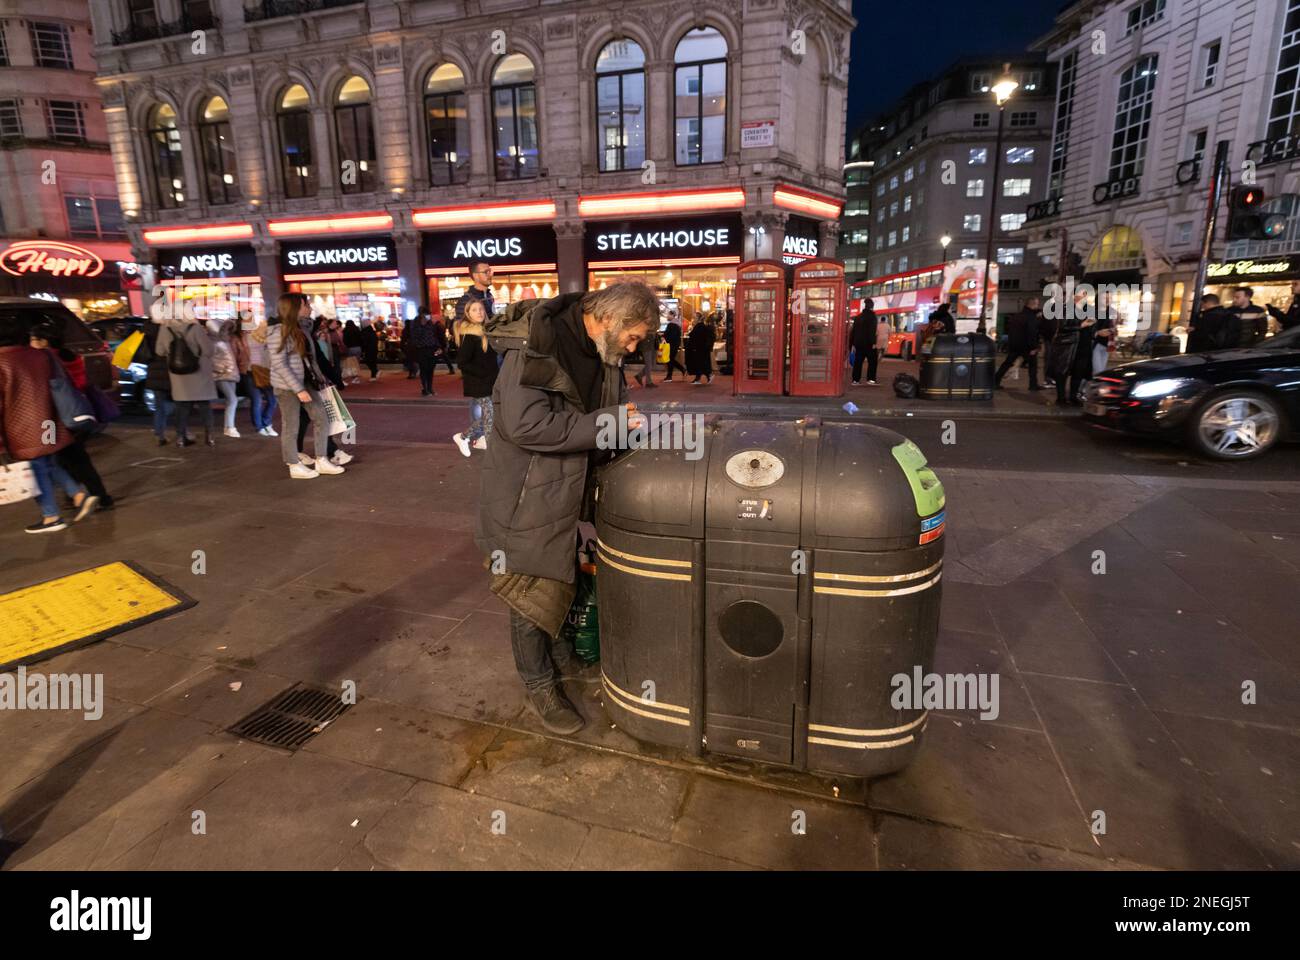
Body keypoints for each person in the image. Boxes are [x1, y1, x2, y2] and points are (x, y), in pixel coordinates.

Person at [477, 281, 657, 734]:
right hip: (527, 493)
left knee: (563, 572)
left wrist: (629, 428)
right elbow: (526, 425)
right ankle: (538, 684)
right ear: (608, 321)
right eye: (632, 336)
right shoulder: (534, 347)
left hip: (567, 485)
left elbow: (606, 409)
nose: (634, 347)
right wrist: (608, 424)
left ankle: (559, 656)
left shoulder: (603, 351)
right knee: (528, 587)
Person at [0, 313, 97, 532]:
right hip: (49, 423)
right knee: (49, 463)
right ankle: (78, 494)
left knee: (35, 470)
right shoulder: (41, 356)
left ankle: (51, 517)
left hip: (21, 429)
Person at [28, 322, 114, 511]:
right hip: (77, 414)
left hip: (56, 418)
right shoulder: (70, 355)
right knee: (71, 457)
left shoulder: (47, 359)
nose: (31, 343)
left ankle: (85, 496)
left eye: (33, 339)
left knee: (64, 458)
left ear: (44, 341)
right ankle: (82, 495)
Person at [267, 293, 344, 480]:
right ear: (294, 308)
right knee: (291, 425)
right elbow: (279, 363)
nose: (309, 308)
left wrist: (320, 378)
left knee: (321, 418)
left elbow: (310, 359)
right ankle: (294, 464)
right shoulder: (278, 331)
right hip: (287, 387)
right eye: (305, 305)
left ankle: (322, 459)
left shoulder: (302, 328)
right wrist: (298, 389)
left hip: (307, 382)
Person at [155, 305, 217, 447]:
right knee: (204, 406)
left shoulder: (165, 329)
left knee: (181, 408)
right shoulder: (195, 328)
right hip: (199, 372)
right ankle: (210, 437)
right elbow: (209, 350)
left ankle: (180, 438)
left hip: (178, 375)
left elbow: (159, 351)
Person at [452, 299, 498, 456]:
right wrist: (483, 373)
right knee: (490, 413)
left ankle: (469, 438)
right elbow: (462, 362)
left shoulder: (486, 331)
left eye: (481, 309)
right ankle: (488, 447)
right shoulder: (470, 335)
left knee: (491, 413)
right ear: (467, 314)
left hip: (490, 380)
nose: (479, 312)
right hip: (478, 382)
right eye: (474, 310)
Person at [995, 296, 1043, 391]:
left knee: (1007, 363)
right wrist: (1034, 347)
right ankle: (1033, 385)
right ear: (1032, 304)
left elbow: (1011, 331)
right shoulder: (1031, 317)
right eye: (1037, 304)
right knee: (1032, 366)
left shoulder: (1016, 316)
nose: (1038, 306)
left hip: (1015, 345)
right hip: (1027, 346)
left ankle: (995, 381)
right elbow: (1032, 333)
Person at [141, 314, 175, 445]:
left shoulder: (146, 329)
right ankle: (182, 432)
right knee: (178, 404)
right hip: (168, 370)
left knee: (159, 405)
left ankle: (159, 434)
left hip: (153, 371)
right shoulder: (167, 328)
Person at [207, 318, 243, 438]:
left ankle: (229, 427)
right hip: (220, 375)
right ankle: (229, 427)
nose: (227, 332)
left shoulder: (226, 341)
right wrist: (224, 369)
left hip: (231, 374)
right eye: (225, 329)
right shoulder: (212, 342)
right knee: (233, 400)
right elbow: (211, 360)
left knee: (231, 401)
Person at [244, 318, 279, 437]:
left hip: (265, 373)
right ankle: (260, 427)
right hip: (251, 371)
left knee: (272, 400)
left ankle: (266, 423)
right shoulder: (249, 337)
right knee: (257, 400)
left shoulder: (271, 340)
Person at [409, 308, 441, 396]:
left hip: (432, 349)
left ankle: (430, 388)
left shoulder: (430, 323)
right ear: (421, 314)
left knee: (431, 369)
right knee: (424, 369)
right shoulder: (415, 323)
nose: (429, 316)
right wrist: (422, 325)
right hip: (422, 349)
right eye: (427, 314)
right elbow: (414, 337)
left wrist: (438, 347)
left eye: (429, 314)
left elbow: (434, 336)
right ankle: (425, 388)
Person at [849, 299, 879, 385]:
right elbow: (872, 331)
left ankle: (855, 380)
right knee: (872, 361)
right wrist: (873, 343)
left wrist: (852, 344)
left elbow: (853, 331)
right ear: (871, 306)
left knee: (858, 362)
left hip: (858, 343)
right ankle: (871, 379)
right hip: (869, 343)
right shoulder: (872, 316)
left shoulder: (858, 317)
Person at [685, 318, 715, 384]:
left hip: (698, 349)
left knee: (698, 363)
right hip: (704, 349)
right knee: (702, 364)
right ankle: (704, 377)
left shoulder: (698, 327)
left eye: (693, 321)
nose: (692, 322)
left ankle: (699, 378)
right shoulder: (704, 327)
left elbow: (693, 337)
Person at [662, 312, 686, 381]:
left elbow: (668, 335)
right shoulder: (677, 324)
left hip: (671, 345)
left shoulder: (671, 324)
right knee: (670, 359)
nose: (667, 316)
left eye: (668, 315)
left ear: (672, 315)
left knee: (669, 359)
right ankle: (671, 375)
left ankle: (670, 376)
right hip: (675, 344)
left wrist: (663, 336)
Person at [360, 315, 381, 381]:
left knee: (369, 361)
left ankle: (374, 373)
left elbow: (364, 340)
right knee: (372, 361)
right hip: (373, 348)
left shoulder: (365, 331)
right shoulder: (371, 330)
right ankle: (374, 375)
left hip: (369, 348)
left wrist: (363, 347)